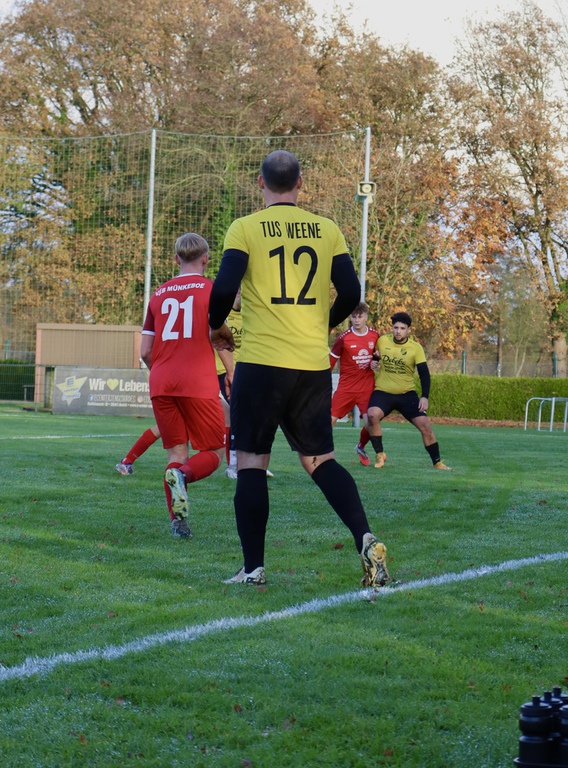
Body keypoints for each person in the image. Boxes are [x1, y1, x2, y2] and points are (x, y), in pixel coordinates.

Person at [209, 149, 390, 588]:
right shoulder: (327, 229)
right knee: (320, 460)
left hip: (261, 364)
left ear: (260, 183)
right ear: (300, 184)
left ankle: (253, 569)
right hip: (310, 366)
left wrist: (217, 327)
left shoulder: (245, 227)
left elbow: (224, 289)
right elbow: (351, 291)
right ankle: (366, 538)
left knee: (252, 463)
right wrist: (322, 323)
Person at [140, 232, 228, 538]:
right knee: (214, 451)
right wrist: (232, 373)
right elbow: (220, 338)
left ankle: (178, 524)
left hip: (161, 381)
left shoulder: (158, 295)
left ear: (176, 259)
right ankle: (183, 476)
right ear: (206, 259)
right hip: (197, 381)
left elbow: (145, 351)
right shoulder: (212, 290)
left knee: (176, 454)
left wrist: (162, 372)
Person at [367, 311, 451, 470]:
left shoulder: (415, 348)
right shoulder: (382, 341)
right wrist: (374, 362)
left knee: (425, 425)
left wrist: (424, 397)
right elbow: (375, 357)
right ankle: (379, 455)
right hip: (383, 391)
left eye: (402, 328)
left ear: (409, 330)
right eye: (396, 328)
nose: (398, 331)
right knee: (371, 415)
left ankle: (437, 462)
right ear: (392, 328)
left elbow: (424, 374)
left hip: (406, 394)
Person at [330, 302, 379, 466]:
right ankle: (323, 454)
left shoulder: (375, 336)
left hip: (366, 387)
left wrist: (376, 362)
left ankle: (361, 447)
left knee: (370, 423)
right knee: (329, 420)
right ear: (350, 318)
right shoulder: (343, 338)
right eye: (354, 317)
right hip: (346, 387)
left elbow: (379, 356)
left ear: (366, 317)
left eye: (360, 317)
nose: (357, 320)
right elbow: (331, 360)